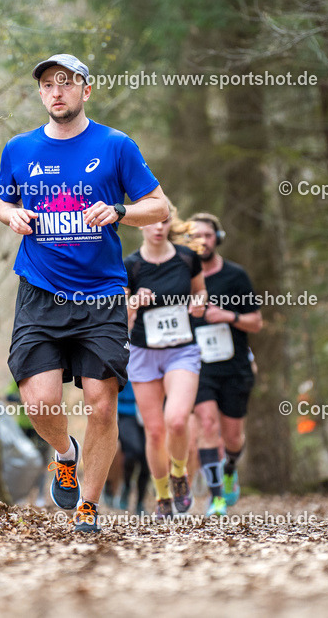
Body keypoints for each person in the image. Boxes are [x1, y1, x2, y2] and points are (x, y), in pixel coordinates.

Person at [0, 53, 169, 533]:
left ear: (85, 91)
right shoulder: (19, 148)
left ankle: (88, 507)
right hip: (41, 291)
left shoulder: (115, 146)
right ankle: (65, 454)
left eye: (66, 83)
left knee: (101, 400)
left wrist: (118, 211)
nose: (56, 92)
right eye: (48, 85)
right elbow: (2, 201)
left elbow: (158, 206)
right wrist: (10, 216)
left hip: (101, 294)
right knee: (40, 403)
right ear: (40, 94)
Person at [124, 205, 206, 518]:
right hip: (144, 352)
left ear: (171, 223)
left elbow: (200, 293)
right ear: (140, 225)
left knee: (176, 419)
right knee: (155, 432)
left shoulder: (187, 258)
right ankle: (161, 498)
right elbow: (121, 312)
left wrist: (197, 305)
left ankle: (180, 475)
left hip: (181, 350)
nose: (158, 227)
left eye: (164, 221)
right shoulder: (130, 265)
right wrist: (134, 302)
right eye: (152, 222)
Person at [188, 212, 263, 516]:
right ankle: (216, 496)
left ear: (216, 239)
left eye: (207, 235)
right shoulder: (182, 277)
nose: (201, 241)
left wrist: (228, 316)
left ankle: (230, 467)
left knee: (232, 436)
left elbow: (256, 322)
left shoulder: (236, 276)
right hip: (198, 365)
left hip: (233, 366)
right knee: (207, 424)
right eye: (194, 236)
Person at [115, 380, 149, 515]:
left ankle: (140, 502)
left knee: (147, 459)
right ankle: (127, 486)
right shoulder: (124, 358)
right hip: (125, 412)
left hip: (148, 411)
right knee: (133, 451)